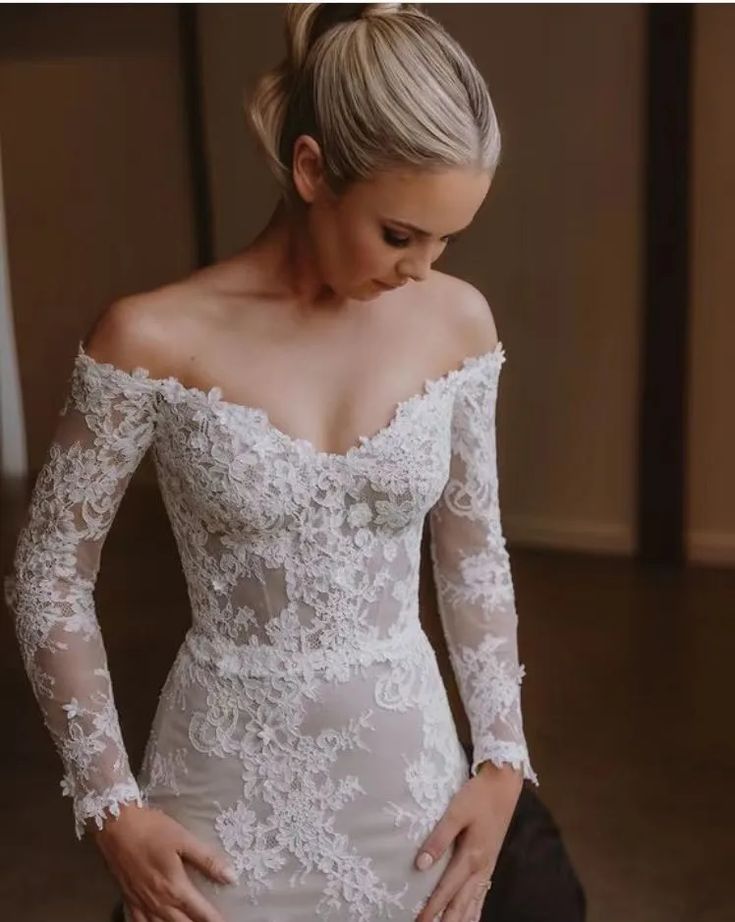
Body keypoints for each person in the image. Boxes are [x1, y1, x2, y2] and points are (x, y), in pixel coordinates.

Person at [4, 4, 549, 921]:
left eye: (446, 239)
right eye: (398, 234)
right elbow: (49, 572)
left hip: (410, 794)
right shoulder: (150, 335)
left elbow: (471, 553)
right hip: (221, 803)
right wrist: (110, 805)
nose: (422, 268)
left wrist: (500, 759)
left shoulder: (456, 321)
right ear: (309, 169)